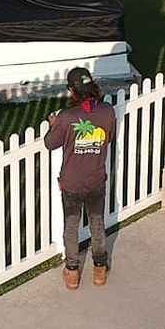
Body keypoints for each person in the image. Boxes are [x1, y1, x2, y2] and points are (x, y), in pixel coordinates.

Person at [44, 66, 117, 289]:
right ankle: (99, 269)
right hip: (96, 179)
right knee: (97, 223)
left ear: (71, 91)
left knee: (71, 226)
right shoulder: (107, 111)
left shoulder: (67, 118)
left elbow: (50, 143)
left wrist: (53, 125)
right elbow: (108, 138)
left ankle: (72, 272)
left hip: (72, 183)